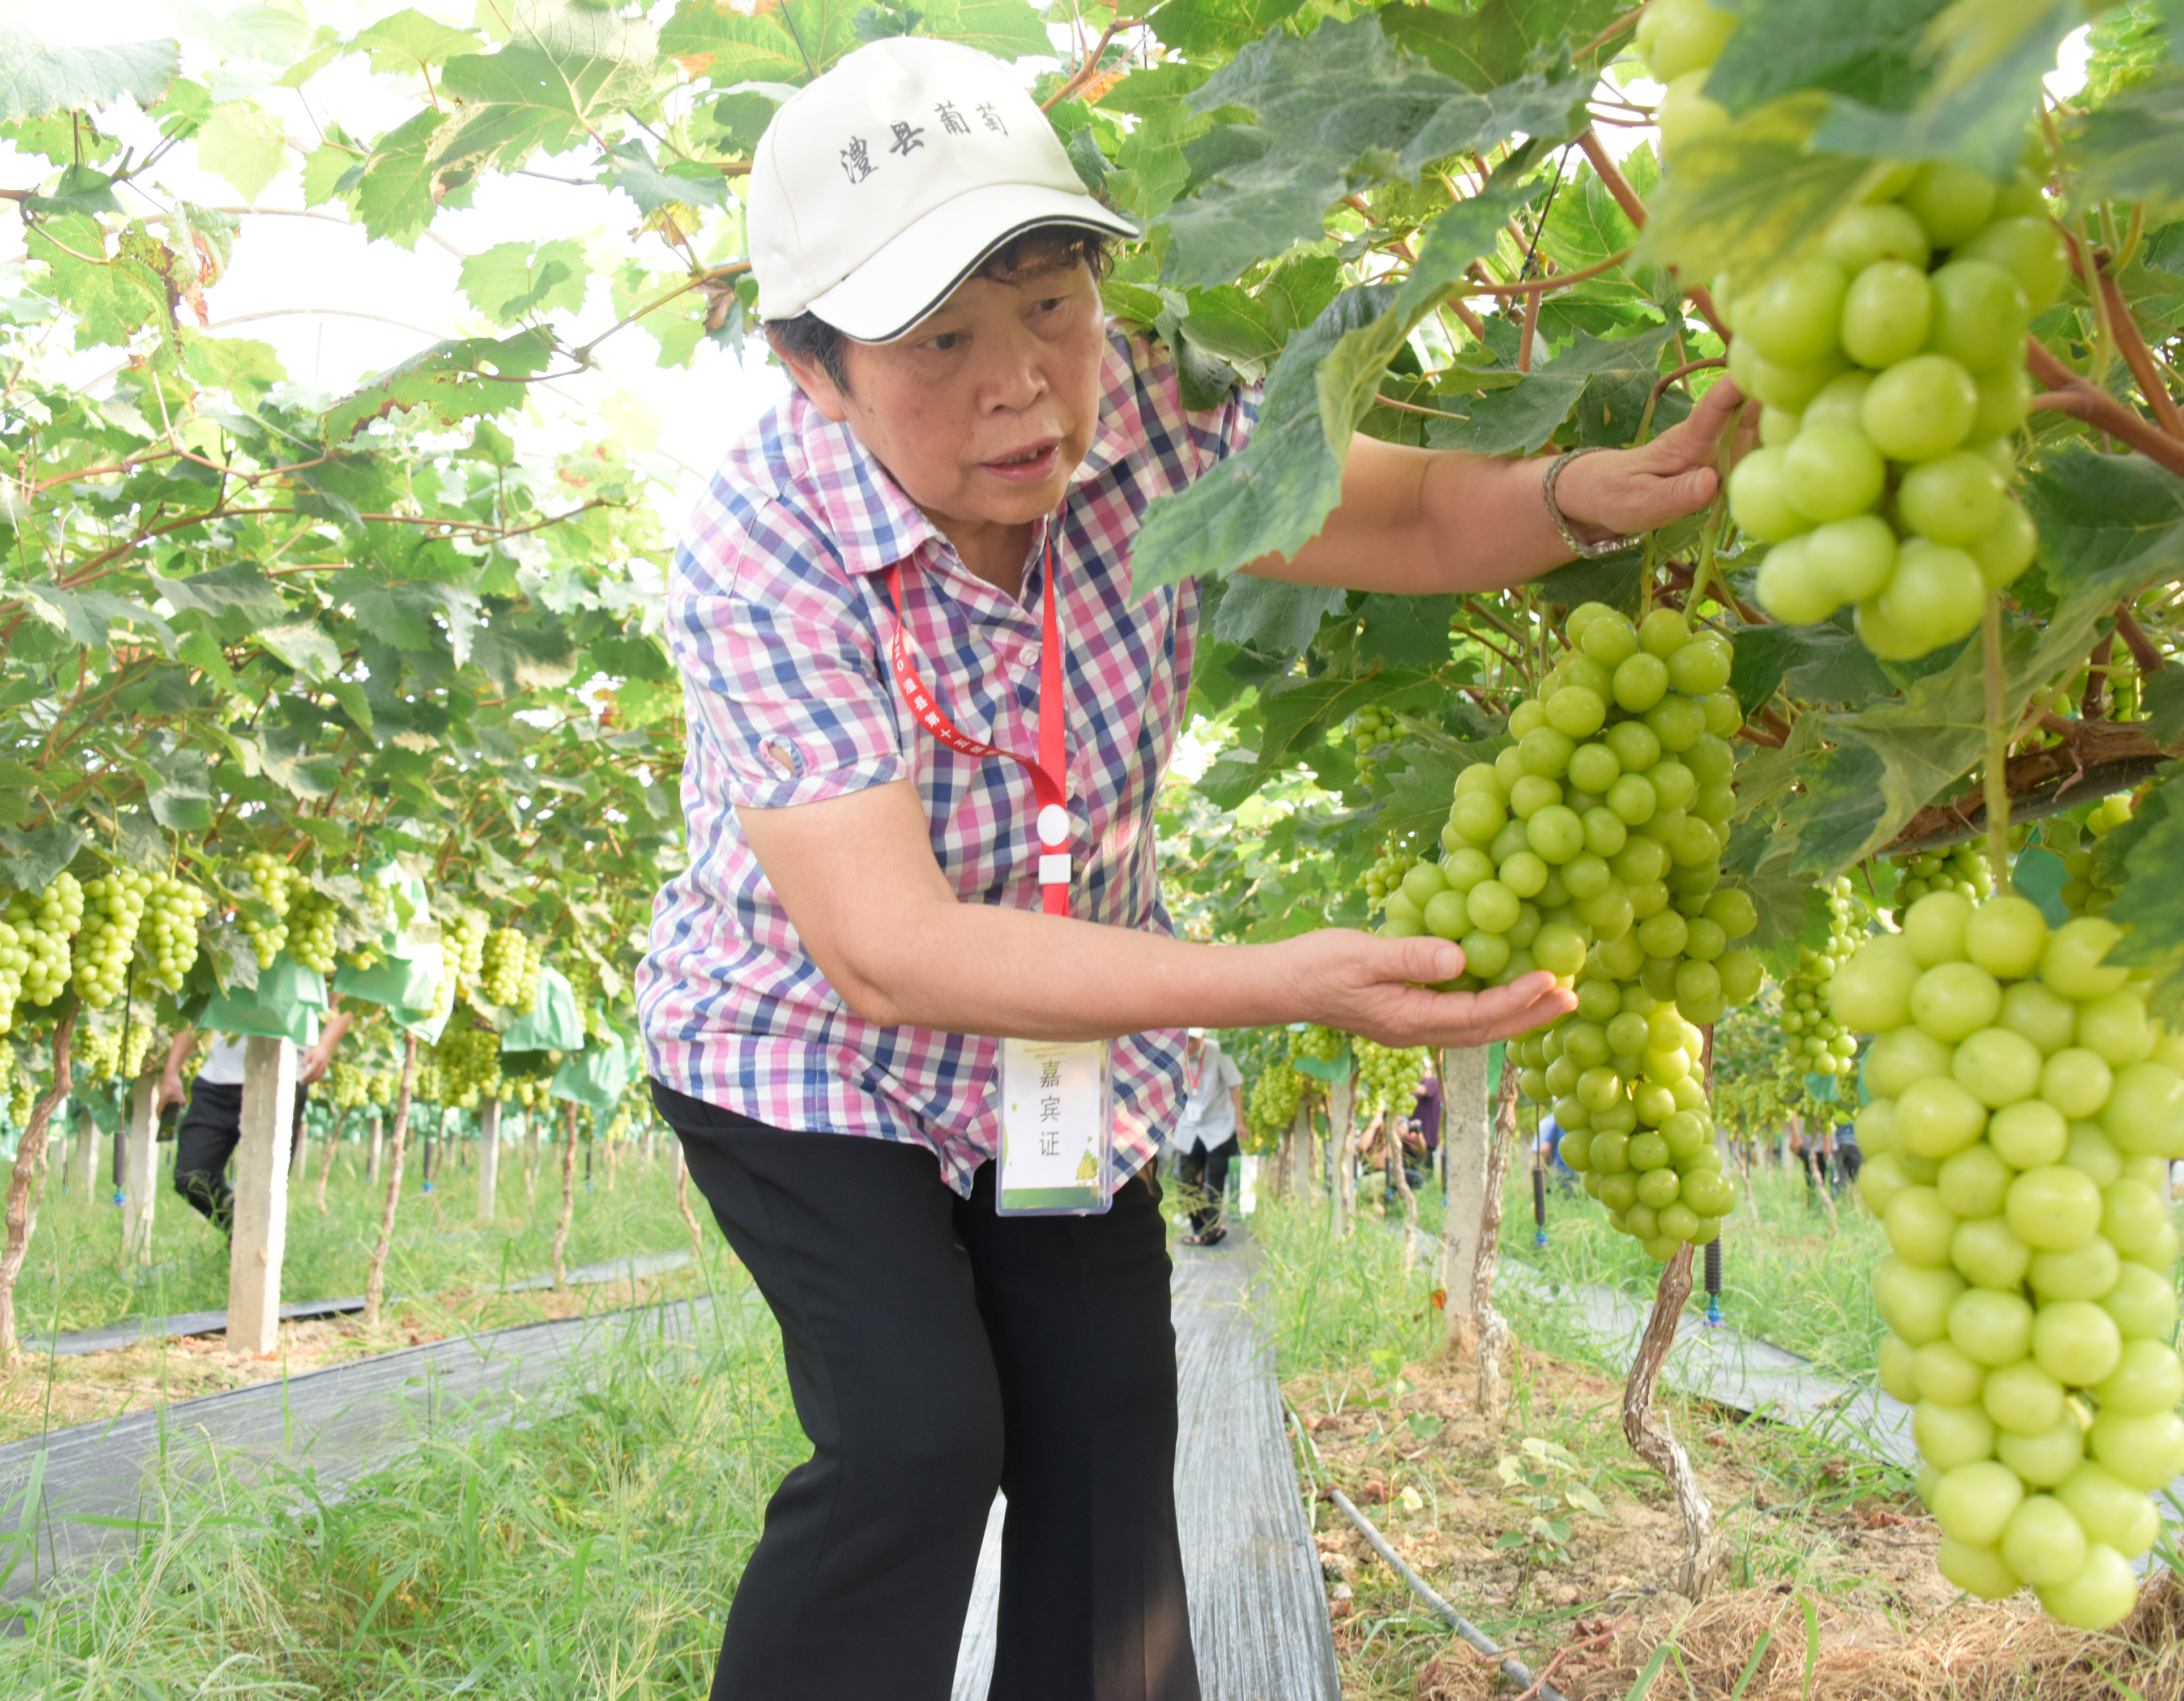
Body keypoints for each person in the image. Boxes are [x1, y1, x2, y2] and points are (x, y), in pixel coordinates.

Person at [632, 36, 1739, 1701]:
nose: (1020, 382)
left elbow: (1426, 518)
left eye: (1053, 303)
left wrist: (1591, 493)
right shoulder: (762, 541)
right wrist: (1279, 981)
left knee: (1102, 1439)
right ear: (812, 368)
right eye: (941, 339)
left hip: (1060, 1059)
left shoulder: (1140, 418)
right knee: (921, 1433)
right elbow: (889, 951)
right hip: (809, 1056)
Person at [159, 1012, 351, 1231]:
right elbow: (197, 1005)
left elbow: (342, 997)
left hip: (282, 1077)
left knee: (265, 1192)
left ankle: (249, 1252)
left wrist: (325, 1046)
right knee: (190, 1176)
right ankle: (241, 1235)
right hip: (217, 1078)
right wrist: (171, 1071)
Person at [1168, 1026, 1245, 1245]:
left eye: (1193, 1040)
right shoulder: (1175, 1054)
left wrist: (1240, 1121)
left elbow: (1235, 1085)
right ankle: (1202, 1228)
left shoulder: (1219, 1051)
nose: (1189, 1045)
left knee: (1214, 1183)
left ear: (1202, 1039)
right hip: (1188, 1127)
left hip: (1218, 1127)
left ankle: (1207, 1232)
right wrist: (1172, 1127)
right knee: (1185, 1180)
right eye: (1186, 1040)